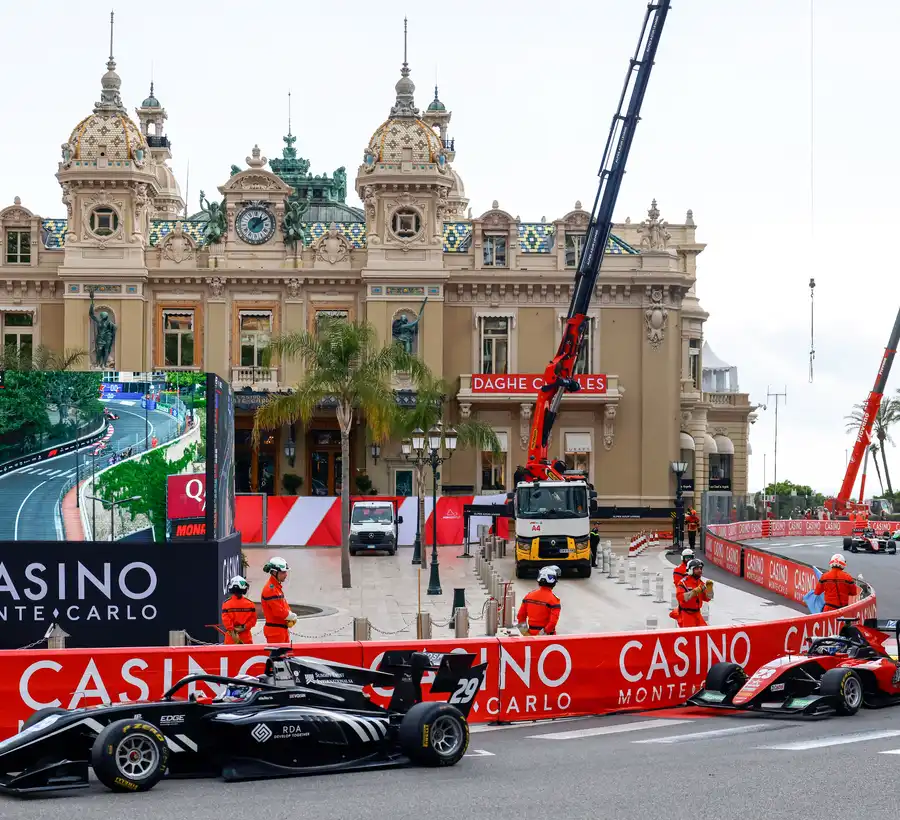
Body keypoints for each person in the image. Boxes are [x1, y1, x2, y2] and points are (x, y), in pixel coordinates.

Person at [516, 566, 562, 636]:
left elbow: (520, 616)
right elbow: (552, 623)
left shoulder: (528, 596)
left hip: (530, 635)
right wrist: (540, 636)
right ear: (554, 582)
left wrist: (525, 634)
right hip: (547, 637)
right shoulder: (554, 600)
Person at [260, 556, 296, 643]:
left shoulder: (276, 588)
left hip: (280, 629)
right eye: (283, 572)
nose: (286, 575)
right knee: (277, 656)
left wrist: (289, 614)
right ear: (274, 572)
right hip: (275, 631)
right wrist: (290, 615)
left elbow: (283, 605)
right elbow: (278, 611)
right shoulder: (270, 589)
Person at [675, 558, 713, 628]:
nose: (699, 571)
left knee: (705, 633)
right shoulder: (683, 583)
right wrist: (695, 592)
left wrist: (710, 590)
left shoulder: (700, 583)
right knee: (690, 636)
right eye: (697, 569)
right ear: (690, 570)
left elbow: (707, 599)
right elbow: (680, 597)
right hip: (686, 614)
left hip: (697, 614)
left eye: (700, 569)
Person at [221, 575, 257, 645]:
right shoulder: (250, 604)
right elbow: (253, 620)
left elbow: (226, 621)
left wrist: (233, 631)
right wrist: (244, 627)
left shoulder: (226, 604)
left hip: (231, 638)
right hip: (246, 638)